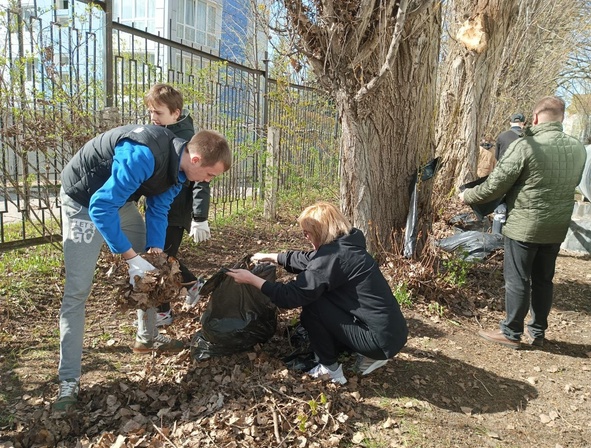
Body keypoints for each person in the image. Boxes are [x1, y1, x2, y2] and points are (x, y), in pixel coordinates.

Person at [55, 124, 231, 411]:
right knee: (77, 291)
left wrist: (154, 255)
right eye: (210, 175)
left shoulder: (179, 170)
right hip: (84, 201)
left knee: (152, 273)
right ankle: (68, 380)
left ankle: (147, 338)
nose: (207, 181)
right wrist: (129, 258)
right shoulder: (143, 155)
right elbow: (100, 206)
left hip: (119, 203)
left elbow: (158, 210)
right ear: (197, 160)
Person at [226, 202, 408, 384]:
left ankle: (331, 370)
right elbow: (309, 260)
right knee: (323, 297)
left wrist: (252, 279)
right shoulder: (347, 245)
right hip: (392, 334)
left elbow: (291, 296)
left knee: (314, 305)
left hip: (378, 340)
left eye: (307, 233)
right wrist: (272, 256)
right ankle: (364, 351)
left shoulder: (332, 257)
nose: (305, 237)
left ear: (320, 231)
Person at [459, 96, 586, 349]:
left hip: (525, 226)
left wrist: (467, 195)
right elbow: (573, 182)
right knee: (543, 280)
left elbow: (496, 185)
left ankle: (511, 332)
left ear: (535, 118)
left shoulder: (526, 146)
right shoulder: (578, 148)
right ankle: (537, 333)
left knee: (518, 279)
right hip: (556, 228)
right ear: (561, 118)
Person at [143, 84, 212, 327]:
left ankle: (164, 309)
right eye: (151, 112)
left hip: (175, 209)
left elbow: (203, 178)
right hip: (159, 207)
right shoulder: (158, 133)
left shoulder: (186, 139)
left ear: (176, 112)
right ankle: (191, 286)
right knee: (162, 257)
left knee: (160, 259)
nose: (153, 118)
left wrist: (199, 216)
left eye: (158, 113)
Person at [492, 113, 526, 232]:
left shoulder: (502, 136)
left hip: (503, 175)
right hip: (521, 178)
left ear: (510, 123)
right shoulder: (528, 138)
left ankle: (496, 236)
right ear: (523, 124)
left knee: (500, 207)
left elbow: (496, 157)